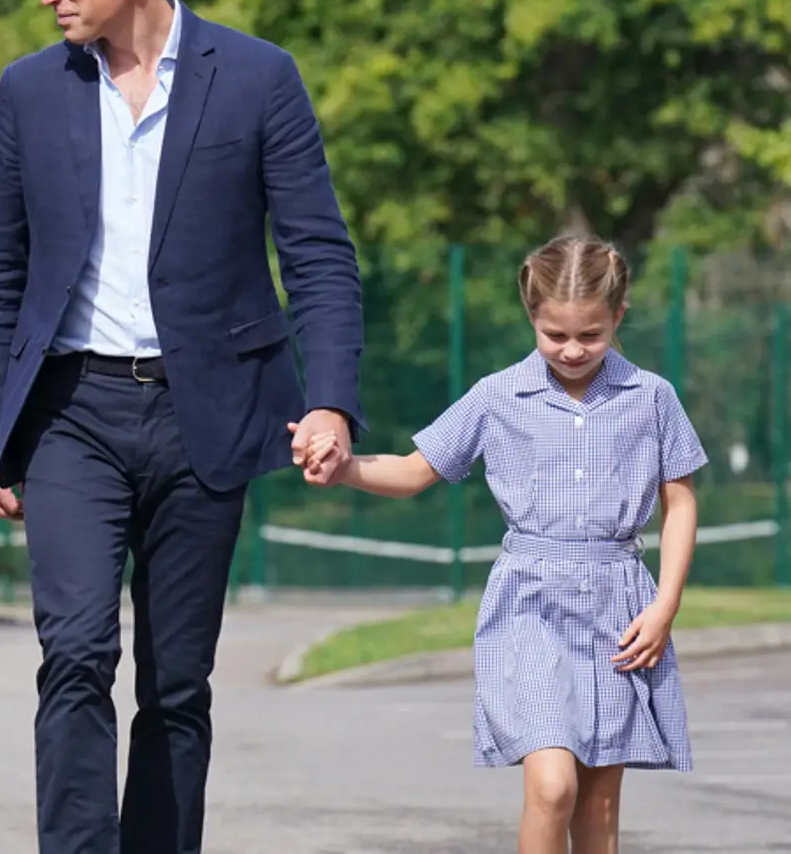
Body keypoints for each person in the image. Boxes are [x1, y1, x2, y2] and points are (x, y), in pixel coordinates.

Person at [0, 0, 364, 854]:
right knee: (76, 654)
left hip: (206, 415)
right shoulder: (27, 89)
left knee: (177, 683)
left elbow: (317, 254)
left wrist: (332, 402)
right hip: (69, 414)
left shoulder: (259, 77)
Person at [294, 235, 702, 854]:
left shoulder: (653, 399)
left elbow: (680, 503)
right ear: (531, 317)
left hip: (619, 608)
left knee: (598, 804)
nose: (571, 350)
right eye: (554, 334)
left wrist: (665, 606)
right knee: (552, 787)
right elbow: (413, 470)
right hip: (529, 607)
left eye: (589, 335)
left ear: (618, 317)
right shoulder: (497, 395)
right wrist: (343, 466)